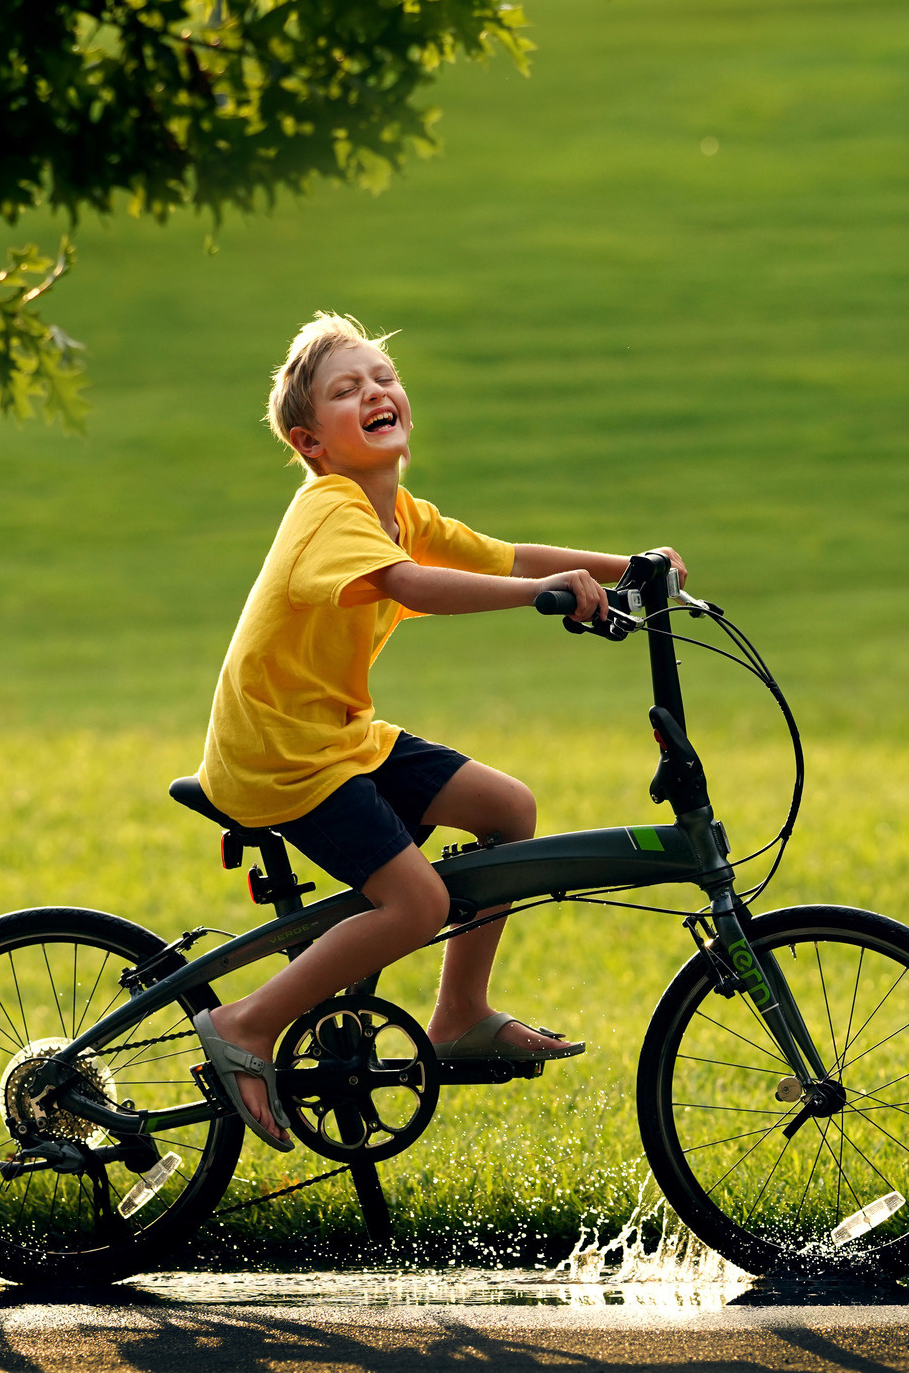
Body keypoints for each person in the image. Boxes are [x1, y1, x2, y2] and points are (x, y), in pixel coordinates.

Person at [185, 312, 684, 1151]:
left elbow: (503, 555)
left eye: (382, 376)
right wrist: (547, 596)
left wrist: (625, 567)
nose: (375, 391)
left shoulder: (398, 510)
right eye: (347, 390)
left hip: (337, 737)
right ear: (311, 443)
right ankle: (245, 1023)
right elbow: (414, 585)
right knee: (419, 902)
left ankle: (457, 1017)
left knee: (507, 808)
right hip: (280, 756)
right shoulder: (330, 510)